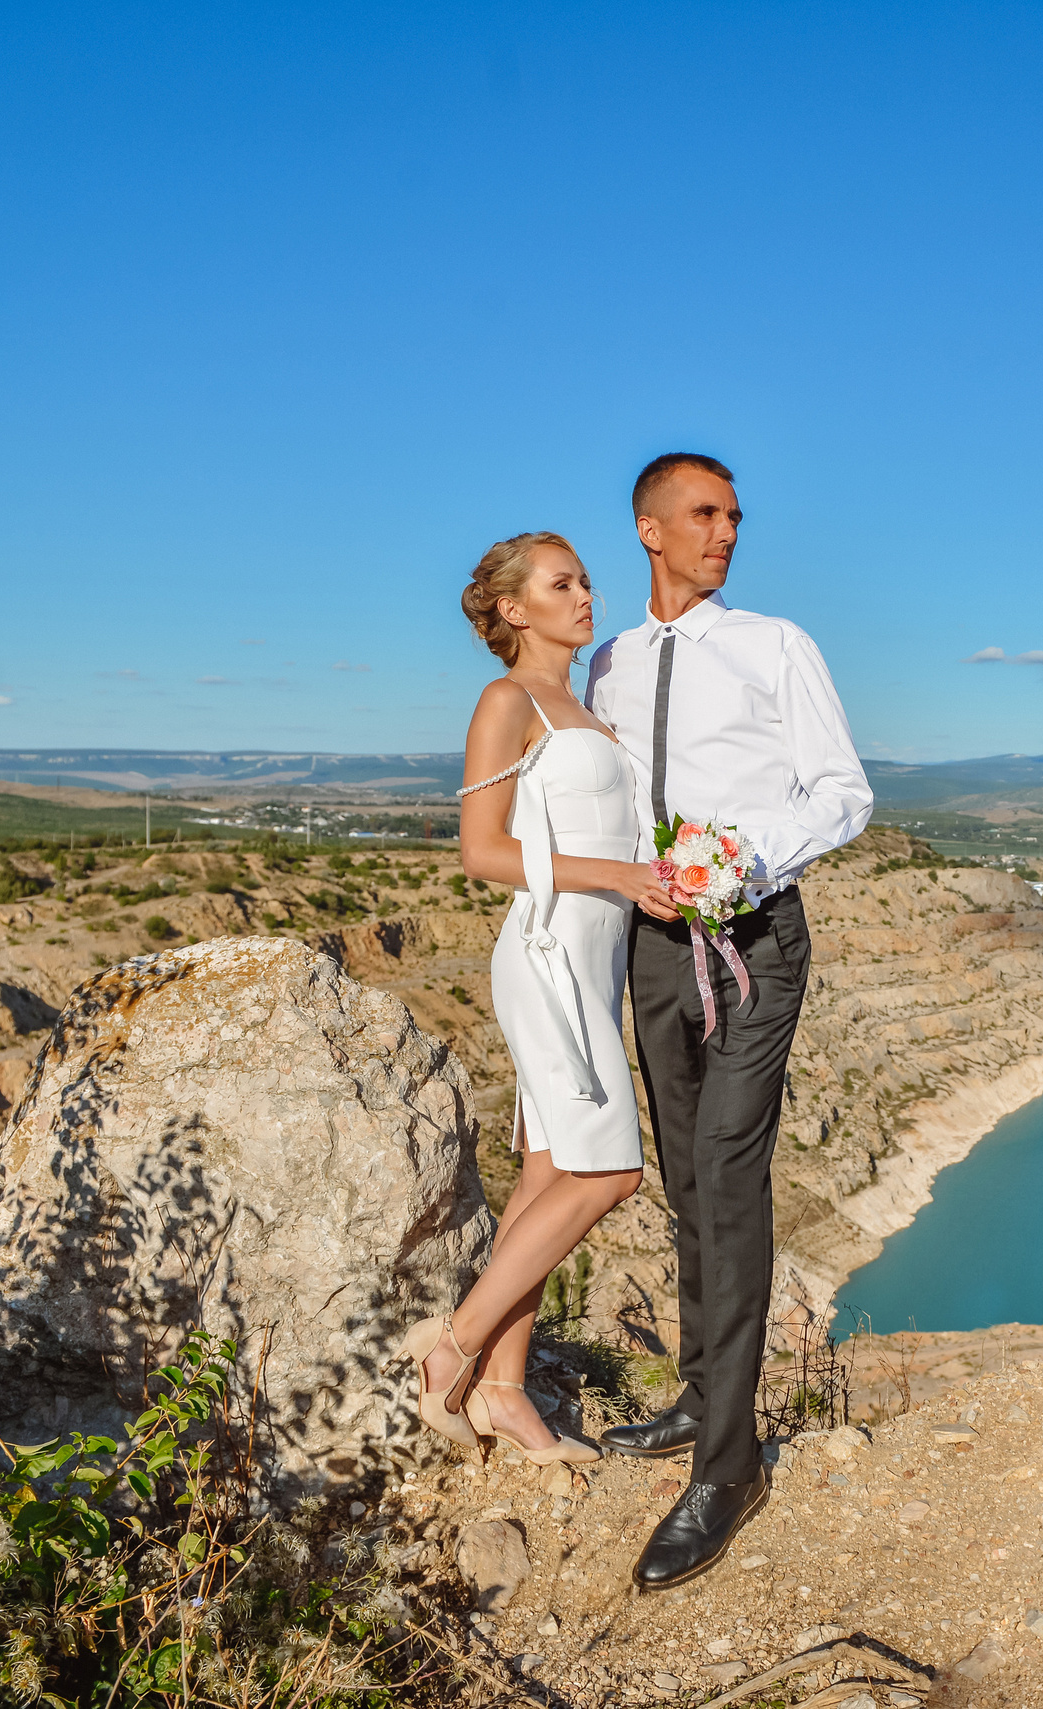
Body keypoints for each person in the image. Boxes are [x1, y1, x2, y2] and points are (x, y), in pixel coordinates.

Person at [586, 453, 872, 1590]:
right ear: (650, 529)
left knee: (727, 1169)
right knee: (683, 1179)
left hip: (755, 941)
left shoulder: (776, 645)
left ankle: (727, 1465)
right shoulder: (607, 662)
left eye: (735, 518)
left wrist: (745, 863)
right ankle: (703, 1395)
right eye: (704, 516)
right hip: (652, 944)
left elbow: (842, 789)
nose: (727, 534)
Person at [403, 532, 680, 1466]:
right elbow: (480, 852)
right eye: (563, 583)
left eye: (587, 579)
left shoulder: (586, 703)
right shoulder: (508, 700)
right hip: (550, 953)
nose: (586, 594)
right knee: (610, 1174)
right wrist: (622, 873)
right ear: (516, 609)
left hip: (600, 957)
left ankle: (508, 1394)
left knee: (545, 1176)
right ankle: (452, 1355)